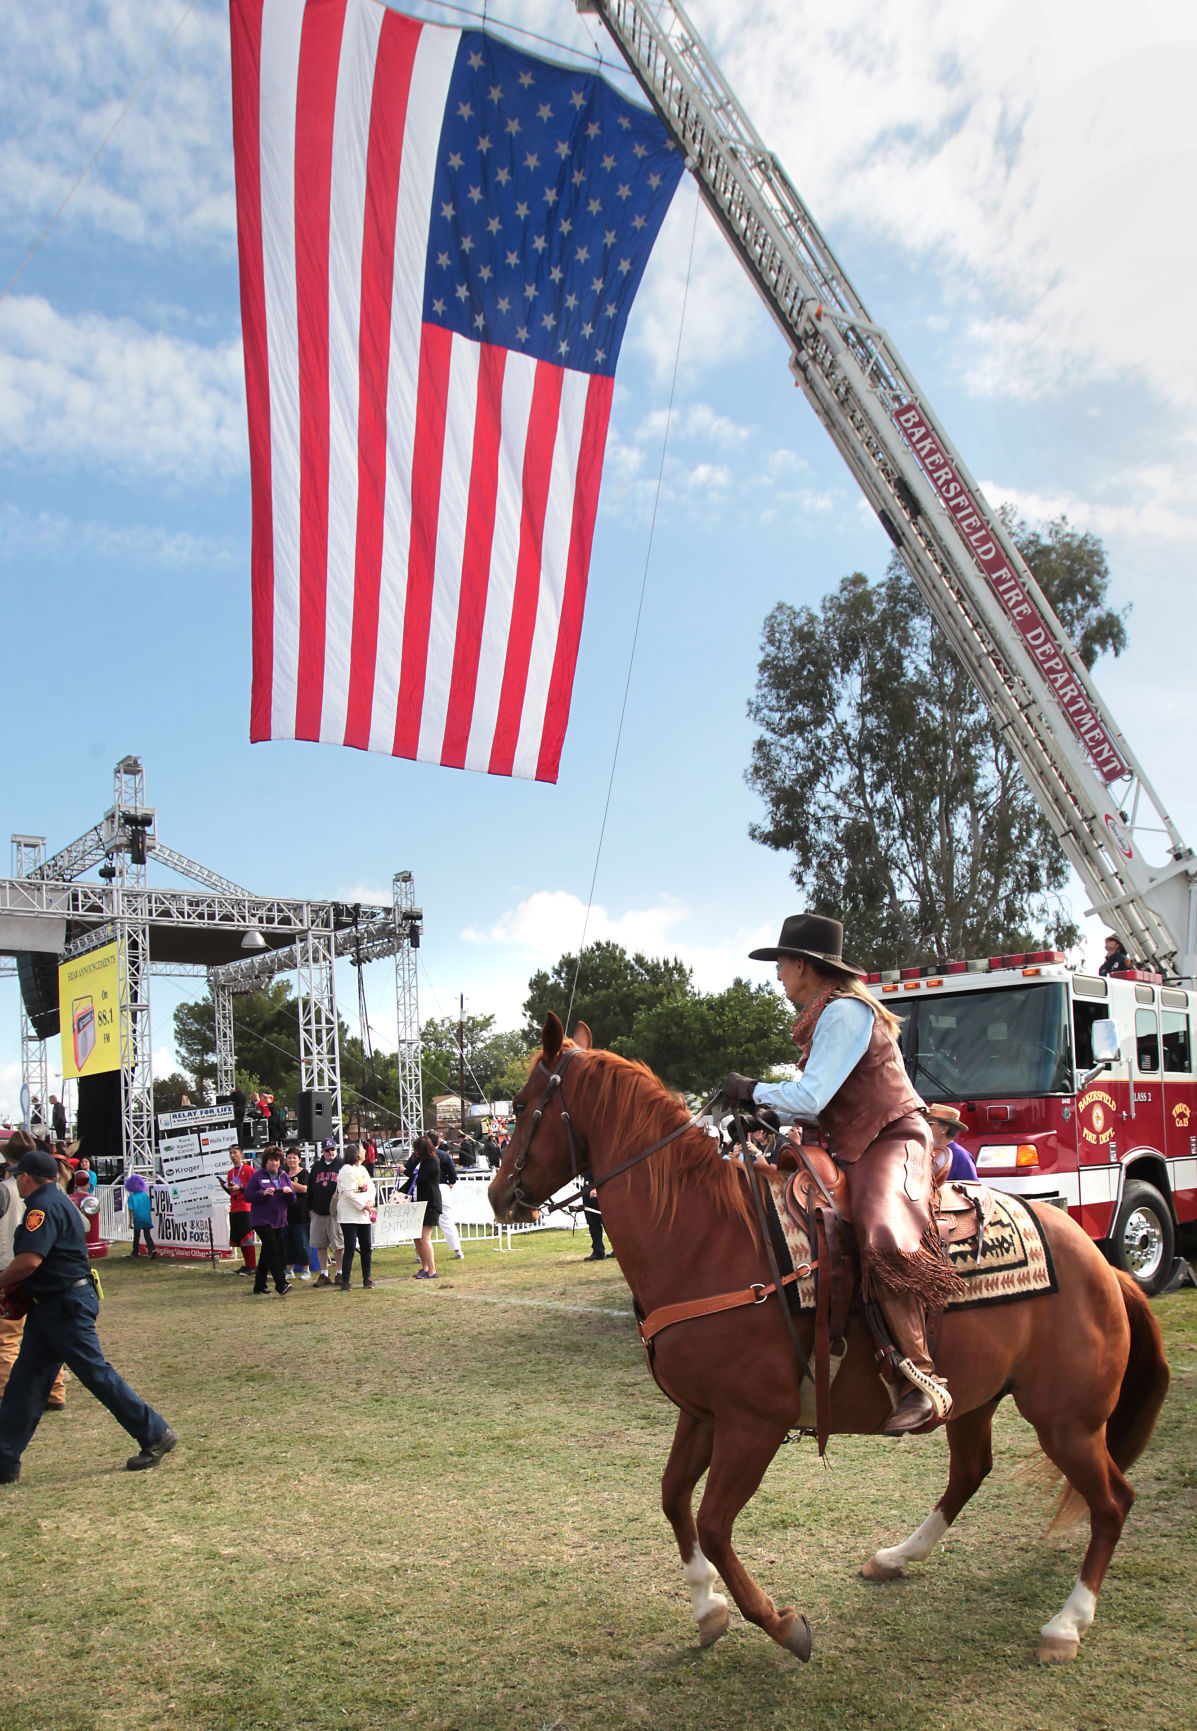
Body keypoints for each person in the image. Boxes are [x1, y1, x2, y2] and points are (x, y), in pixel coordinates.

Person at [722, 913, 964, 1434]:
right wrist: (761, 1112)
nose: (778, 973)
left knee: (880, 1229)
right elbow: (814, 1103)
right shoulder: (824, 1016)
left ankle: (919, 1379)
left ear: (806, 966)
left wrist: (754, 1091)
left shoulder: (846, 1012)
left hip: (893, 1137)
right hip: (853, 1144)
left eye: (782, 962)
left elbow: (811, 1096)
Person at [0, 1149, 177, 1482]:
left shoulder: (42, 1206)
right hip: (56, 1302)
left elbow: (30, 1260)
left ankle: (154, 1432)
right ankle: (5, 1459)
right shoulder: (59, 1200)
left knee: (95, 1374)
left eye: (16, 1176)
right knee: (26, 1381)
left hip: (62, 1303)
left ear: (26, 1177)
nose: (15, 1181)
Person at [0, 1134, 66, 1410]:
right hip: (45, 1270)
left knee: (6, 1337)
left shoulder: (4, 1190)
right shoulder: (55, 1192)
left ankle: (5, 1393)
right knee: (49, 1334)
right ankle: (55, 1391)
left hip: (10, 1266)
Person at [244, 1148, 295, 1296]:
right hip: (261, 1219)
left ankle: (259, 1285)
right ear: (266, 1161)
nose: (274, 1163)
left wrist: (289, 1192)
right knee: (273, 1249)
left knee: (267, 1251)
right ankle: (281, 1283)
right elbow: (247, 1195)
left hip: (278, 1219)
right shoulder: (257, 1176)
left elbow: (292, 1201)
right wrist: (262, 1193)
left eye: (277, 1160)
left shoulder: (284, 1176)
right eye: (271, 1160)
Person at [335, 1144, 376, 1290]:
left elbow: (371, 1187)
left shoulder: (363, 1169)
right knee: (350, 1247)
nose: (365, 1152)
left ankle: (367, 1277)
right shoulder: (347, 1169)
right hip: (349, 1214)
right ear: (356, 1154)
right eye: (362, 1150)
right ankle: (345, 1280)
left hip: (363, 1213)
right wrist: (362, 1204)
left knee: (366, 1246)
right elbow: (347, 1192)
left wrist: (370, 1201)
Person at [307, 1138, 343, 1288]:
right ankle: (324, 1273)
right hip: (318, 1212)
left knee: (339, 1245)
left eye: (332, 1149)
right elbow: (310, 1188)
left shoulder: (342, 1165)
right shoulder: (316, 1167)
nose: (330, 1153)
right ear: (322, 1151)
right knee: (320, 1244)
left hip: (335, 1212)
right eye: (327, 1150)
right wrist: (310, 1209)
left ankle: (340, 1272)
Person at [221, 1153, 258, 1275]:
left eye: (235, 1153)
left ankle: (253, 1265)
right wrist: (225, 1187)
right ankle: (247, 1265)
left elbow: (255, 1188)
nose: (233, 1155)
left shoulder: (249, 1170)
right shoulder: (230, 1172)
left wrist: (241, 1188)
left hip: (245, 1207)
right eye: (230, 1153)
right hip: (234, 1207)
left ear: (241, 1154)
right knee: (240, 1238)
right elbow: (233, 1193)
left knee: (247, 1237)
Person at [282, 1148, 313, 1281]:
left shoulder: (304, 1173)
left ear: (299, 1159)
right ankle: (289, 1269)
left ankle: (306, 1269)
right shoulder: (282, 1173)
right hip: (285, 1213)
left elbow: (305, 1189)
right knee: (287, 1241)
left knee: (302, 1241)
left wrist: (290, 1184)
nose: (292, 1160)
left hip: (300, 1212)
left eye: (294, 1157)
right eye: (289, 1157)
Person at [927, 1104, 978, 1183]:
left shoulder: (960, 1155)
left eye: (929, 1122)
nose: (925, 1126)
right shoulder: (924, 1151)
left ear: (944, 1129)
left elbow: (972, 1188)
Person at [436, 1136, 464, 1260]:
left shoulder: (420, 1155)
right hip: (443, 1188)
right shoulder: (444, 1155)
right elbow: (453, 1173)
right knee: (447, 1220)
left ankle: (419, 1254)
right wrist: (451, 1182)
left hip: (426, 1189)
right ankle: (458, 1250)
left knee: (423, 1224)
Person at [124, 1173, 157, 1259]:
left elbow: (131, 1210)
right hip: (146, 1217)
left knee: (136, 1235)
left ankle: (135, 1252)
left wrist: (130, 1222)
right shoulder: (145, 1195)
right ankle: (151, 1249)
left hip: (138, 1218)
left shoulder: (131, 1197)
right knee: (147, 1235)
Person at [580, 1170, 606, 1261]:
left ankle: (618, 1248)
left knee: (606, 1222)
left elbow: (602, 1171)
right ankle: (598, 1251)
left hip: (598, 1192)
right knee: (592, 1223)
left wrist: (596, 1188)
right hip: (587, 1191)